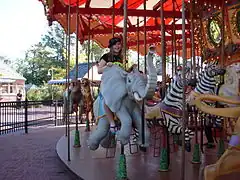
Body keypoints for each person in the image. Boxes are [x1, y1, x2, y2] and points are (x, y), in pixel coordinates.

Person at [97, 37, 124, 133]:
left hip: (119, 82)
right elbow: (99, 70)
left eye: (119, 44)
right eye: (115, 44)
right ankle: (112, 122)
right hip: (108, 82)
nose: (117, 46)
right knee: (107, 100)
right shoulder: (106, 56)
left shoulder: (122, 58)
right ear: (111, 46)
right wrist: (107, 66)